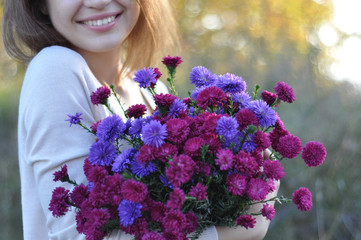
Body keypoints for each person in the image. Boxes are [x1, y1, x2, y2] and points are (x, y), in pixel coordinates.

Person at [3, 0, 279, 239]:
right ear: (39, 3)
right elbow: (77, 235)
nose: (98, 2)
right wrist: (242, 231)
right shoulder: (55, 68)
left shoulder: (151, 90)